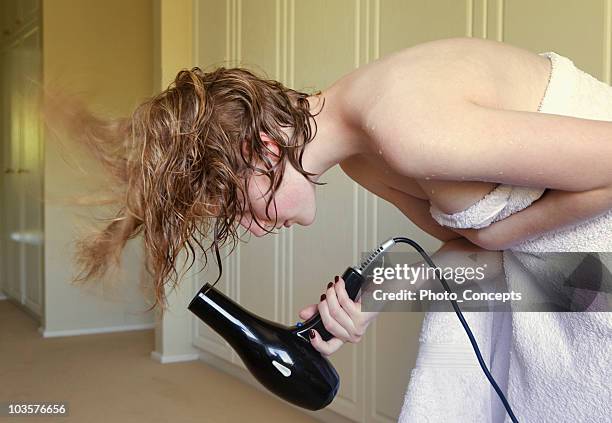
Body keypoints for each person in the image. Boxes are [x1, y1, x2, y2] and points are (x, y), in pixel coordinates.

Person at [61, 36, 611, 421]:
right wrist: (369, 299)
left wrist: (497, 238)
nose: (251, 230)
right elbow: (469, 248)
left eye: (235, 207)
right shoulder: (362, 155)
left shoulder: (407, 127)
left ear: (264, 149)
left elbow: (495, 237)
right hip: (577, 289)